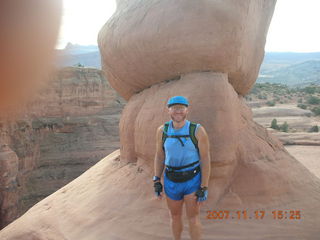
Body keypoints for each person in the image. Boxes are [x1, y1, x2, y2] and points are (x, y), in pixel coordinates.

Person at [153, 96, 211, 240]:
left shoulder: (197, 130)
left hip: (192, 180)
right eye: (174, 108)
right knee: (175, 216)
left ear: (187, 110)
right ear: (169, 111)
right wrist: (156, 180)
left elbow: (205, 158)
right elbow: (159, 156)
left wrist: (204, 186)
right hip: (171, 181)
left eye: (181, 108)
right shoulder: (162, 131)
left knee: (193, 217)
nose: (178, 111)